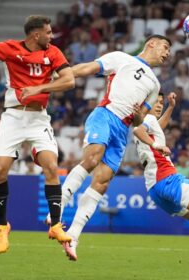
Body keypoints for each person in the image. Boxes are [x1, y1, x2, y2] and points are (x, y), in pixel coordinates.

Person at [42, 34, 172, 261]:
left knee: (102, 182)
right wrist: (61, 75)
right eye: (165, 46)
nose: (167, 53)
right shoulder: (122, 58)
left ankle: (73, 236)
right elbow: (88, 68)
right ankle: (57, 208)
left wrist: (140, 114)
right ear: (151, 43)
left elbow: (140, 119)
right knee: (92, 159)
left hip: (122, 129)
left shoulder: (155, 84)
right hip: (105, 115)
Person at [0, 15, 75, 253]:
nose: (51, 35)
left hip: (39, 118)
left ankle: (56, 224)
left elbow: (69, 80)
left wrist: (40, 88)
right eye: (48, 32)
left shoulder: (54, 53)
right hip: (13, 117)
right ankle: (3, 226)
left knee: (51, 167)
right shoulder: (10, 49)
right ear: (36, 35)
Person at [133, 93, 189, 275]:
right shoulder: (146, 121)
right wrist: (156, 146)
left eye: (161, 102)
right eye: (155, 102)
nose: (159, 105)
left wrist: (171, 107)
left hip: (154, 188)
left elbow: (157, 126)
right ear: (145, 104)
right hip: (166, 178)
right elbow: (138, 132)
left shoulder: (148, 122)